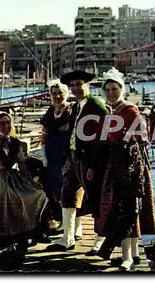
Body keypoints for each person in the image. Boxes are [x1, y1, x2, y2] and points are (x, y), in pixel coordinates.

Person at [0, 111, 49, 271]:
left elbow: (22, 165)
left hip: (12, 179)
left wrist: (32, 181)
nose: (5, 126)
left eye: (7, 123)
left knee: (37, 197)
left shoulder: (15, 143)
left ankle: (24, 243)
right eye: (1, 124)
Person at [95, 67, 155, 271]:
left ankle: (127, 258)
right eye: (108, 89)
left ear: (121, 89)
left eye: (115, 89)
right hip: (116, 163)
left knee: (125, 208)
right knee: (123, 208)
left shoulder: (129, 110)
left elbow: (132, 138)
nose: (111, 92)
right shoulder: (111, 110)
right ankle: (131, 254)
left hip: (130, 165)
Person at [45, 69, 110, 252]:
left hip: (89, 160)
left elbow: (104, 138)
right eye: (72, 85)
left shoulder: (96, 105)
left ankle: (100, 239)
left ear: (87, 85)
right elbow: (71, 134)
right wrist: (67, 158)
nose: (76, 88)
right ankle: (68, 237)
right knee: (68, 195)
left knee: (95, 197)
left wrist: (95, 165)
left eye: (79, 84)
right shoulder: (77, 106)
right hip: (74, 157)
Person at [40, 80, 71, 231]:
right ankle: (59, 219)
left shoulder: (71, 110)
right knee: (54, 187)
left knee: (66, 187)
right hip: (52, 154)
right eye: (54, 93)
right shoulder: (50, 111)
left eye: (60, 93)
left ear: (66, 94)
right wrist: (43, 154)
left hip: (66, 153)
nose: (57, 96)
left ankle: (69, 223)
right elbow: (44, 134)